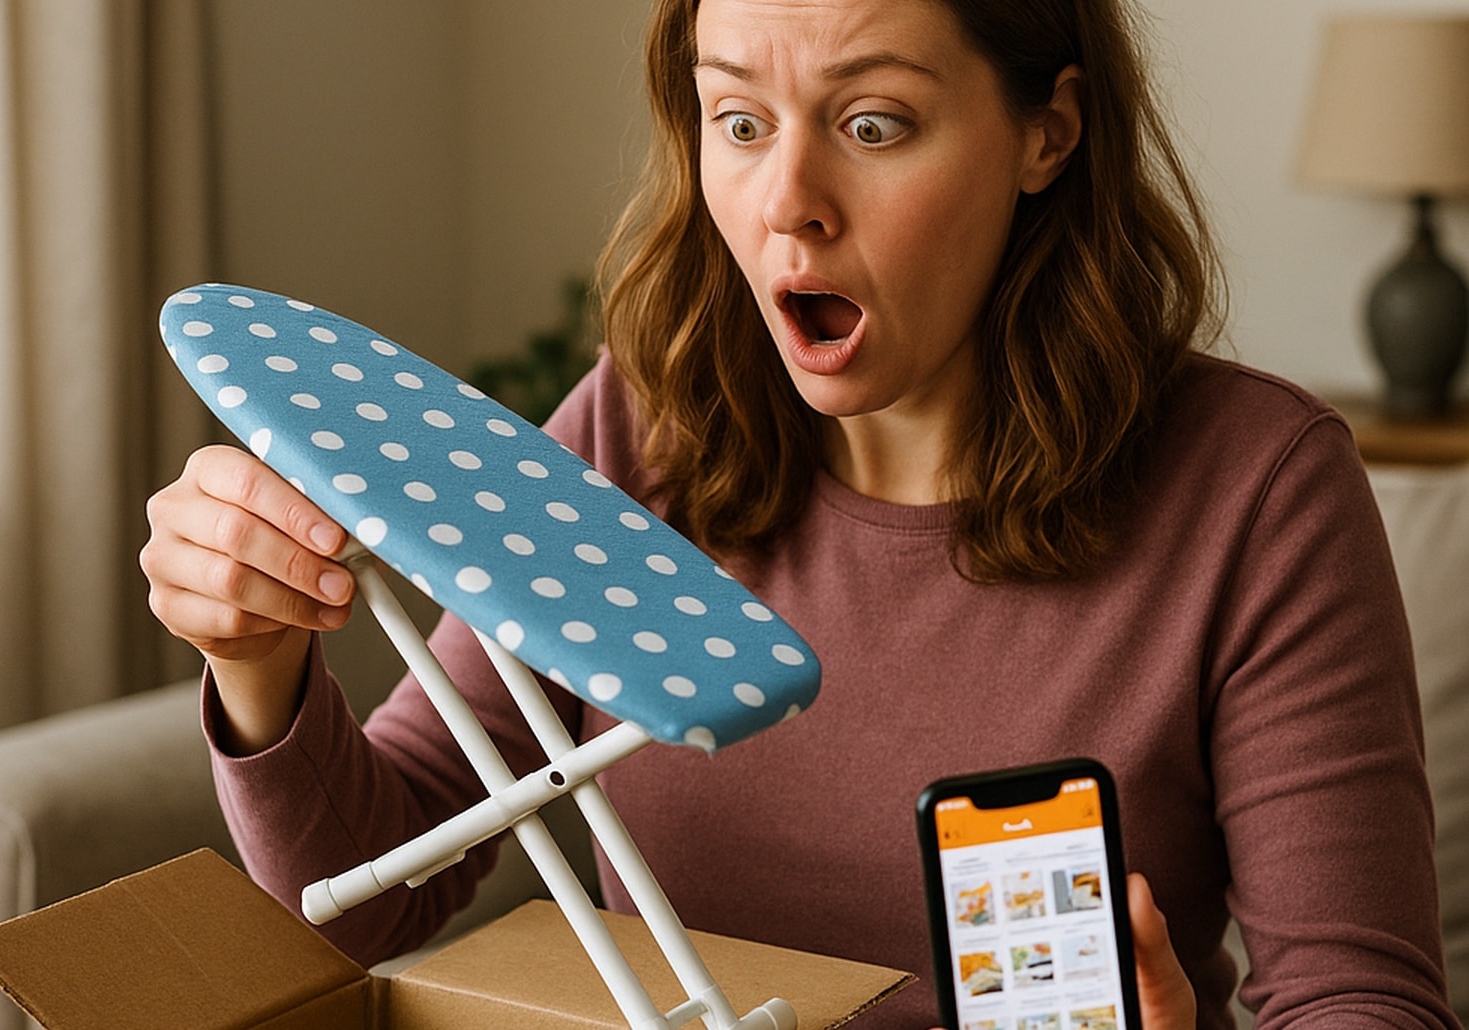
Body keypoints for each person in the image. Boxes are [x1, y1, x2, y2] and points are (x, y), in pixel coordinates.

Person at [139, 0, 1457, 1026]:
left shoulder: (1260, 490)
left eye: (874, 125)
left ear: (1047, 132)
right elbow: (374, 884)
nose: (787, 203)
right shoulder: (636, 431)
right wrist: (257, 660)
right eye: (739, 120)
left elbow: (1364, 997)